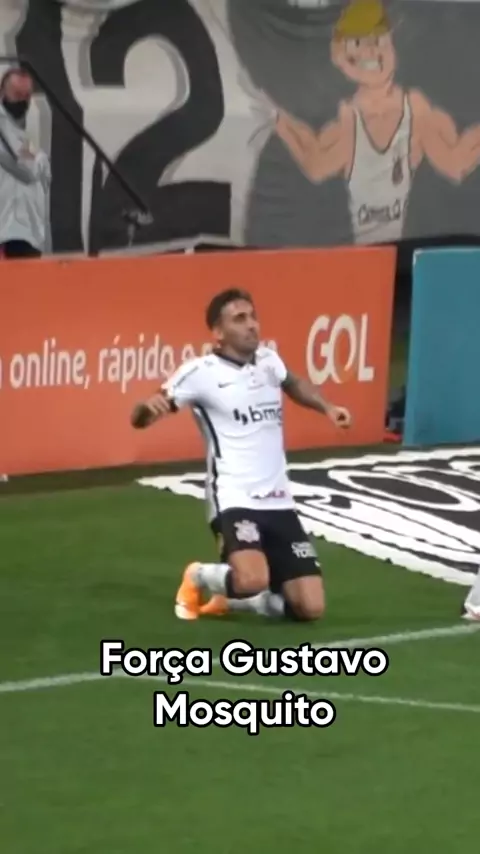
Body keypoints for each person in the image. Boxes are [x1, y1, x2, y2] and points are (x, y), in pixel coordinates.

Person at [131, 288, 352, 623]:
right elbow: (142, 417)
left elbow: (293, 383)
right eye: (239, 319)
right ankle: (197, 576)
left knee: (310, 608)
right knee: (252, 579)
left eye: (253, 316)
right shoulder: (199, 372)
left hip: (278, 499)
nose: (252, 325)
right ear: (218, 333)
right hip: (234, 497)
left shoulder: (269, 361)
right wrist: (146, 409)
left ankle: (240, 603)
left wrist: (328, 407)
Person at [0, 67, 51, 258]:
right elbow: (27, 171)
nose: (22, 101)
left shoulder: (26, 130)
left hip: (30, 232)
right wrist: (37, 158)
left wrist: (35, 159)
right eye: (17, 94)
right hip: (6, 231)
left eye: (27, 96)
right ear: (2, 93)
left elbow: (45, 173)